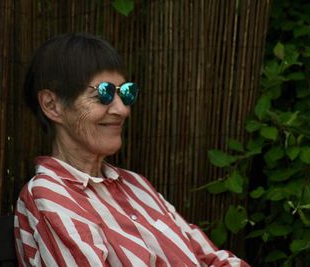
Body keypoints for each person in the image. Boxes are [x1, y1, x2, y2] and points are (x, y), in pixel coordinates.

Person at [14, 32, 249, 267]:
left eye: (126, 93)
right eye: (103, 94)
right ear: (51, 105)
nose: (122, 110)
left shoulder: (136, 185)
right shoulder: (50, 195)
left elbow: (212, 259)